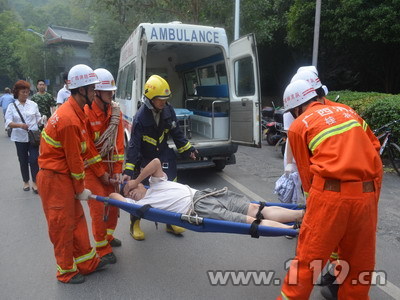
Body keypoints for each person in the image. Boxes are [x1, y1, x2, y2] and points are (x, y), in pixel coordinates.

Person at [278, 80, 382, 299]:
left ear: (297, 108)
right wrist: (372, 200)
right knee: (359, 264)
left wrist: (312, 210)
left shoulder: (299, 126)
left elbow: (307, 177)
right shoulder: (349, 112)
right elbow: (375, 150)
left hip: (330, 197)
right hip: (366, 196)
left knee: (308, 262)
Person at [36, 64, 110, 284]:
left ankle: (87, 263)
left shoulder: (75, 113)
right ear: (81, 90)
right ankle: (66, 271)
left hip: (62, 176)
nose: (95, 93)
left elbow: (81, 151)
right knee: (61, 225)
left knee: (77, 220)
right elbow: (75, 161)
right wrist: (81, 189)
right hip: (54, 178)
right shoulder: (69, 120)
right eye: (92, 89)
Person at [115, 158, 304, 229]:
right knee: (250, 222)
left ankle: (302, 215)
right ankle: (295, 230)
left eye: (132, 191)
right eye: (128, 195)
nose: (131, 194)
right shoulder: (141, 206)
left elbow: (156, 162)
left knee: (255, 208)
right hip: (198, 209)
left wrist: (134, 181)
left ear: (141, 185)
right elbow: (113, 198)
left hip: (206, 194)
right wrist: (121, 191)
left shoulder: (156, 184)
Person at [123, 75, 198, 240]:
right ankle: (134, 223)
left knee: (170, 187)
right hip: (144, 158)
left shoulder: (168, 110)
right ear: (150, 99)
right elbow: (134, 144)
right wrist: (129, 169)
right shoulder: (140, 117)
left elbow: (176, 133)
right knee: (139, 191)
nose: (163, 102)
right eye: (160, 99)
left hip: (163, 154)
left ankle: (171, 222)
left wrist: (188, 150)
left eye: (165, 99)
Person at [84, 68, 124, 264]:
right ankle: (102, 248)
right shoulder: (86, 113)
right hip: (91, 170)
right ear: (96, 92)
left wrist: (116, 172)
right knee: (99, 209)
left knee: (115, 205)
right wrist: (101, 174)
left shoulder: (115, 112)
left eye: (112, 91)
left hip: (109, 167)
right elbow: (88, 149)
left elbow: (118, 145)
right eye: (108, 91)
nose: (112, 94)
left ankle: (108, 236)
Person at [5, 80, 45, 193]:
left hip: (33, 138)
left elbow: (38, 119)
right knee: (23, 160)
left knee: (34, 159)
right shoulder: (11, 106)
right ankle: (26, 181)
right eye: (23, 92)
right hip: (19, 138)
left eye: (27, 92)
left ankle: (35, 182)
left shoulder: (33, 105)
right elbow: (8, 122)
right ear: (17, 92)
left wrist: (42, 120)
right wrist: (20, 125)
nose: (26, 94)